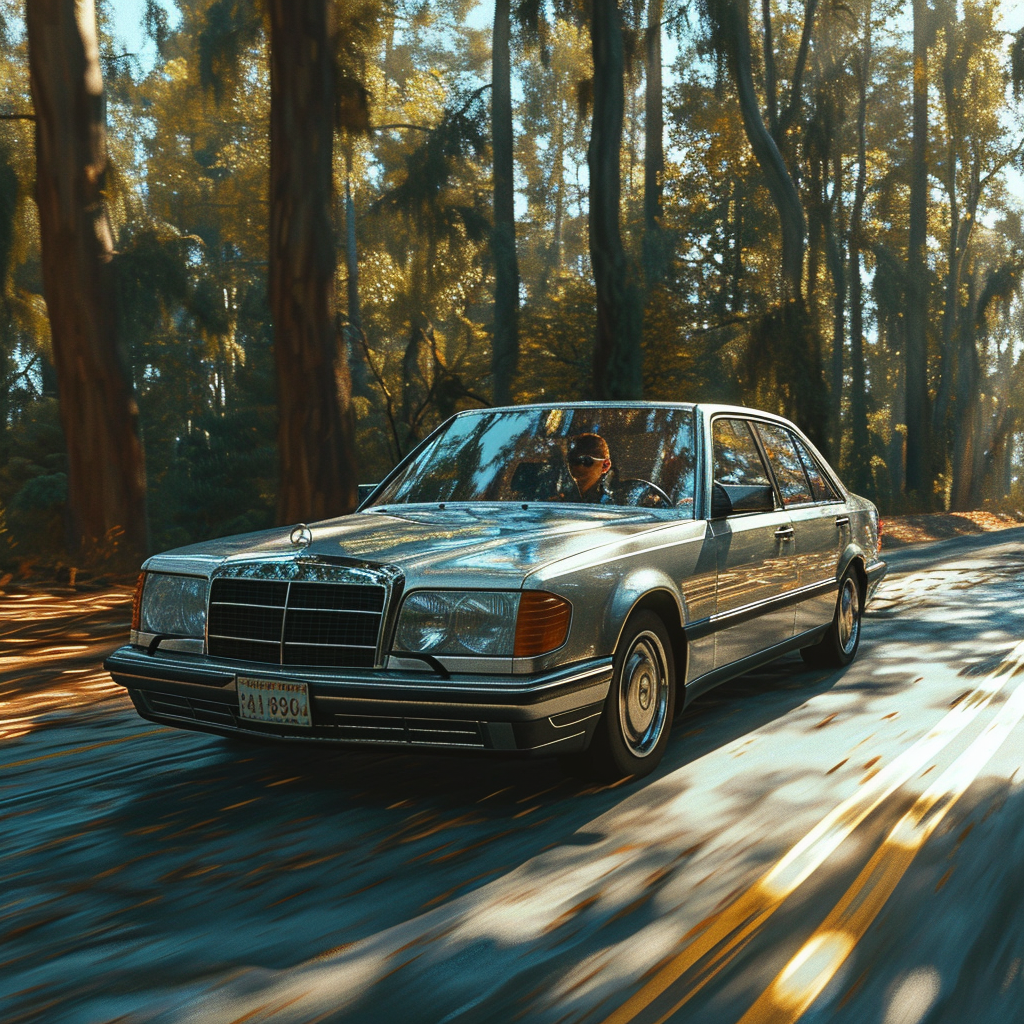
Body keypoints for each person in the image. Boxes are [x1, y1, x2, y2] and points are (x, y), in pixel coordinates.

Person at [566, 433, 614, 503]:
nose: (577, 466)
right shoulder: (561, 499)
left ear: (605, 465)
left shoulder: (611, 502)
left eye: (585, 460)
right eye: (572, 460)